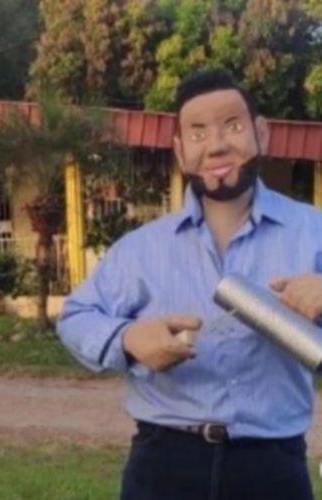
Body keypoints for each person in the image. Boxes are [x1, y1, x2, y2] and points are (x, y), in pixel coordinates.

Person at [58, 68, 322, 500]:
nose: (216, 145)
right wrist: (127, 339)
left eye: (232, 126)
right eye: (197, 133)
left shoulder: (313, 232)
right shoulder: (139, 249)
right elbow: (75, 316)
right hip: (163, 466)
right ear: (181, 152)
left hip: (273, 469)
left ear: (261, 133)